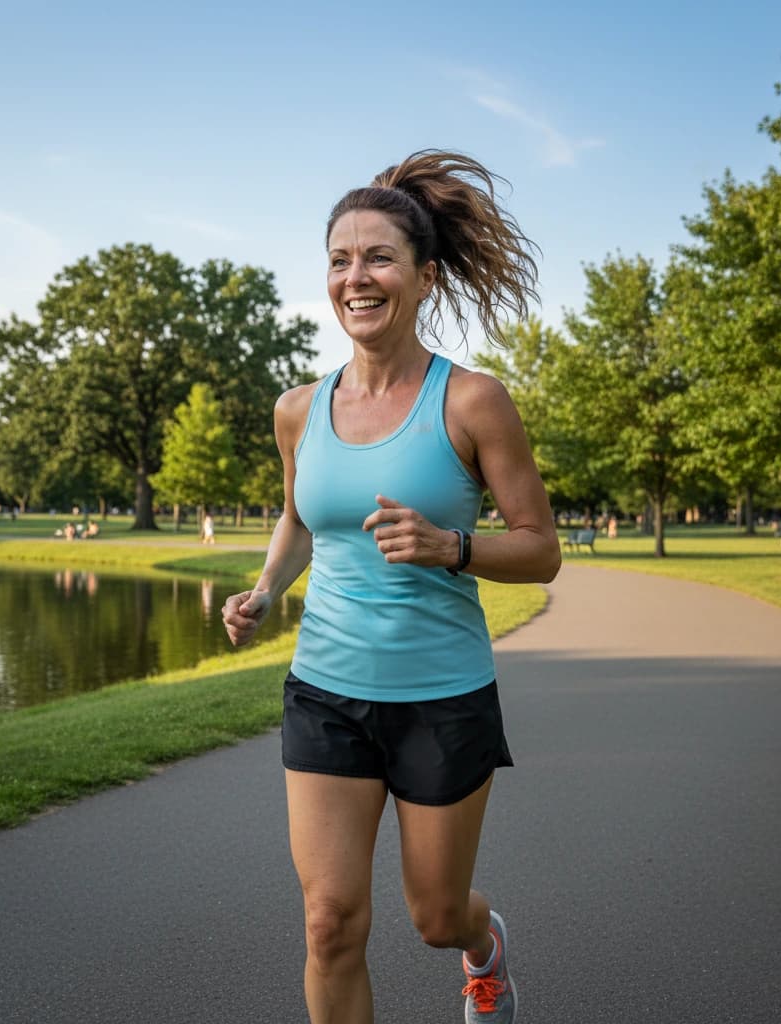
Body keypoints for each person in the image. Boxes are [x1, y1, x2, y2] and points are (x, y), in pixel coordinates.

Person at [222, 150, 561, 1024]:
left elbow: (540, 550)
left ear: (423, 276)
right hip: (325, 693)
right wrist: (264, 590)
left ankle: (484, 951)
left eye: (377, 257)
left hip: (442, 700)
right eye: (339, 259)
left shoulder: (474, 401)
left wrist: (452, 546)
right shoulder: (299, 407)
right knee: (329, 921)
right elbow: (301, 519)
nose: (355, 276)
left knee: (433, 916)